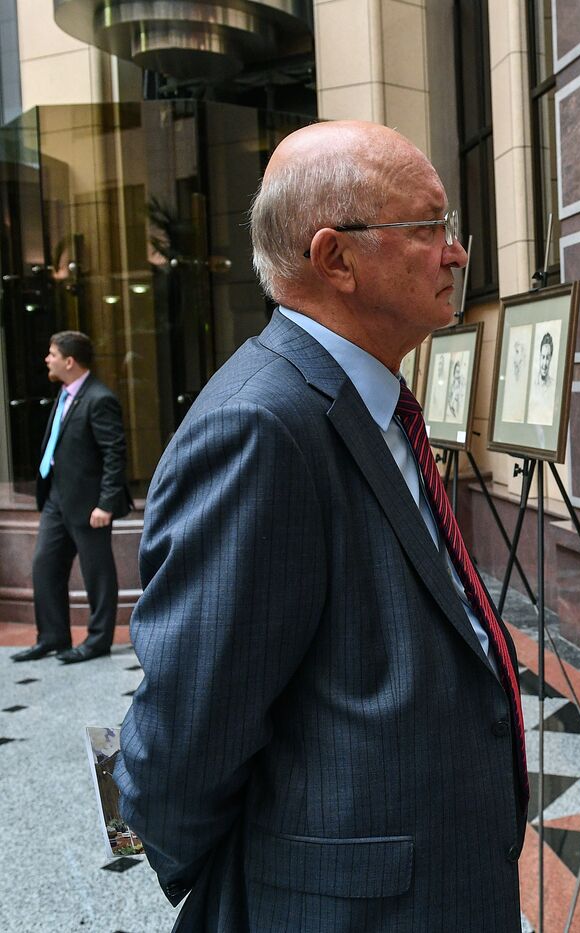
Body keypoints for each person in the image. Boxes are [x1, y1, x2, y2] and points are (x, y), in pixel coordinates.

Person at [114, 121, 527, 931]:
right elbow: (188, 733)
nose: (456, 252)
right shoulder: (262, 427)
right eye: (429, 227)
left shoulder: (365, 402)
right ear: (335, 258)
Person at [13, 331, 131, 664]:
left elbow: (114, 453)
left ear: (69, 361)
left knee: (98, 574)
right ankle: (52, 636)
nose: (46, 359)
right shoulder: (64, 395)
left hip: (89, 505)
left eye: (51, 354)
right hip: (56, 499)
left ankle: (97, 640)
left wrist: (106, 503)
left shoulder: (99, 398)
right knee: (44, 566)